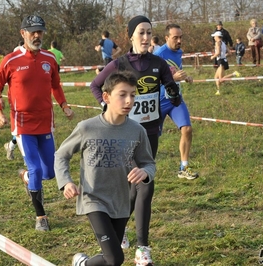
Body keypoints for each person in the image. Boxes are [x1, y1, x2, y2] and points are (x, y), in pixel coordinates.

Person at [90, 15, 181, 266]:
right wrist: (108, 107)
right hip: (125, 134)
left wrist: (173, 93)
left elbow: (172, 93)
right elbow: (96, 86)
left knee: (133, 189)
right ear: (130, 36)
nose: (145, 37)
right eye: (140, 32)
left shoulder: (159, 63)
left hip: (150, 134)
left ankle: (118, 228)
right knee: (145, 185)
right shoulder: (119, 64)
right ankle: (143, 249)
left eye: (149, 33)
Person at [55, 71, 156, 266]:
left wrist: (145, 173)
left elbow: (149, 163)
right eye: (122, 94)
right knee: (115, 258)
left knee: (111, 260)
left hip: (121, 202)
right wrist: (65, 181)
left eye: (133, 95)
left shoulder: (137, 131)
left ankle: (83, 264)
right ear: (106, 97)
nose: (129, 100)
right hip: (93, 198)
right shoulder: (87, 128)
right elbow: (61, 155)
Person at [0, 15, 75, 231]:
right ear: (23, 33)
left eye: (40, 32)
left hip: (46, 123)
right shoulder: (11, 60)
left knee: (50, 172)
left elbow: (56, 85)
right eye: (33, 32)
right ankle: (41, 217)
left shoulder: (49, 59)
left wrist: (64, 105)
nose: (37, 36)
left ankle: (26, 177)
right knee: (36, 169)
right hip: (23, 124)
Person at [154, 23, 198, 180]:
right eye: (175, 38)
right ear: (166, 38)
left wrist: (185, 77)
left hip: (175, 99)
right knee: (151, 137)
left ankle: (184, 167)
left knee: (187, 129)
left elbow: (175, 70)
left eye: (181, 37)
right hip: (158, 101)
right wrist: (173, 78)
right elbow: (151, 80)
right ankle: (141, 168)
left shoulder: (179, 52)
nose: (179, 40)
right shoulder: (159, 54)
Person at [210, 31, 241, 96]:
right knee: (216, 77)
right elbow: (229, 52)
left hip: (221, 61)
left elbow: (218, 52)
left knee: (221, 79)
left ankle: (234, 74)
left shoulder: (217, 43)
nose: (214, 38)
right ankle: (218, 91)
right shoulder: (223, 43)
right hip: (223, 60)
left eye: (214, 36)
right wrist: (224, 56)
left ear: (217, 37)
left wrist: (213, 56)